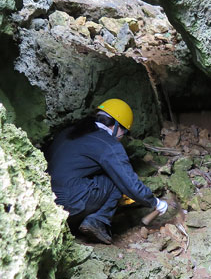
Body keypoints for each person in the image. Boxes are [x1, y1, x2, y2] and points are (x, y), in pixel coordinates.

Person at [46, 98, 168, 244]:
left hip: (46, 201)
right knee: (115, 177)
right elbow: (129, 183)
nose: (123, 138)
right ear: (117, 126)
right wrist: (155, 202)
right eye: (125, 133)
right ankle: (97, 221)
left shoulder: (69, 132)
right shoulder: (107, 143)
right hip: (70, 203)